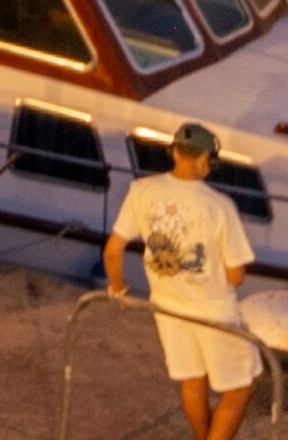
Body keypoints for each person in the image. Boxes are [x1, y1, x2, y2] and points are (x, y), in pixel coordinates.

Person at [100, 119, 263, 438]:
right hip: (213, 311)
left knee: (192, 380)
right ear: (203, 160)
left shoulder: (141, 190)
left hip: (167, 307)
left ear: (175, 152)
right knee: (240, 387)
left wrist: (118, 289)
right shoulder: (220, 206)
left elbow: (112, 251)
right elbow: (236, 276)